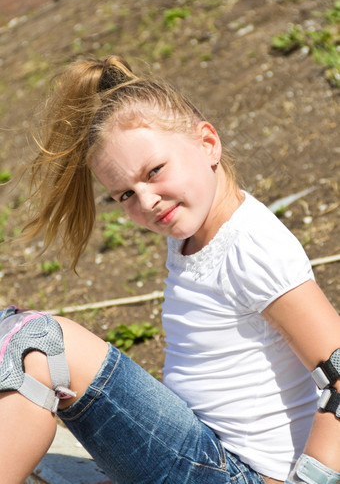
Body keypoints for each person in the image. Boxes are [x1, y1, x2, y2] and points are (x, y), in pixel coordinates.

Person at [0, 55, 340, 484]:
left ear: (207, 143)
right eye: (124, 194)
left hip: (239, 474)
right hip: (202, 451)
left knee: (36, 344)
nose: (146, 201)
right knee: (6, 332)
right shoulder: (192, 233)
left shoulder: (251, 246)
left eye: (154, 171)